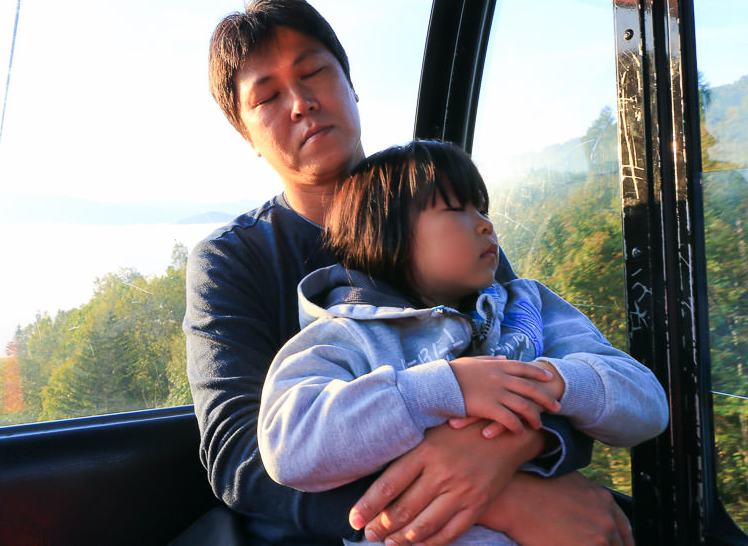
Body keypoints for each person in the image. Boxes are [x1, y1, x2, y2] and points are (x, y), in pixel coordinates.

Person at [183, 0, 635, 546]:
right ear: (246, 135)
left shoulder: (442, 213)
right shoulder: (232, 261)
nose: (300, 103)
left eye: (314, 73)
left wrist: (523, 446)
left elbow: (532, 349)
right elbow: (241, 456)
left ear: (351, 86)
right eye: (268, 96)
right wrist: (494, 503)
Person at [257, 140, 669, 545]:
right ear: (386, 236)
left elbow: (647, 404)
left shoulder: (529, 305)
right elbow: (288, 445)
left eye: (481, 208)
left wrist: (542, 382)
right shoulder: (346, 335)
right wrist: (444, 388)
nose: (486, 224)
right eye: (456, 210)